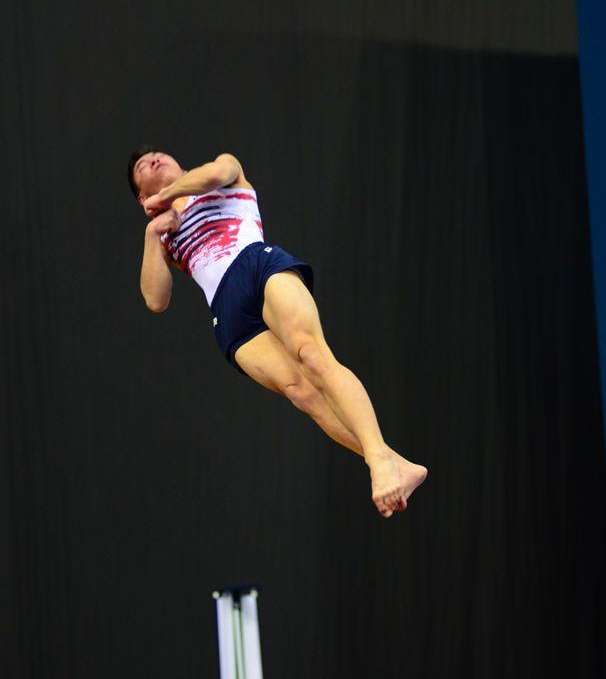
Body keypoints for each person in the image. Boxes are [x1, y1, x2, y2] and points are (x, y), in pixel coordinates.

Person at [129, 147, 427, 518]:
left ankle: (380, 462)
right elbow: (155, 299)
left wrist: (166, 196)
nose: (154, 160)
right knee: (301, 393)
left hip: (256, 264)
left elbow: (210, 176)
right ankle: (396, 462)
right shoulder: (164, 234)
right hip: (227, 309)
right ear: (140, 196)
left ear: (180, 164)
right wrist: (152, 232)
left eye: (160, 155)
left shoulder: (221, 169)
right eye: (144, 165)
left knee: (311, 354)